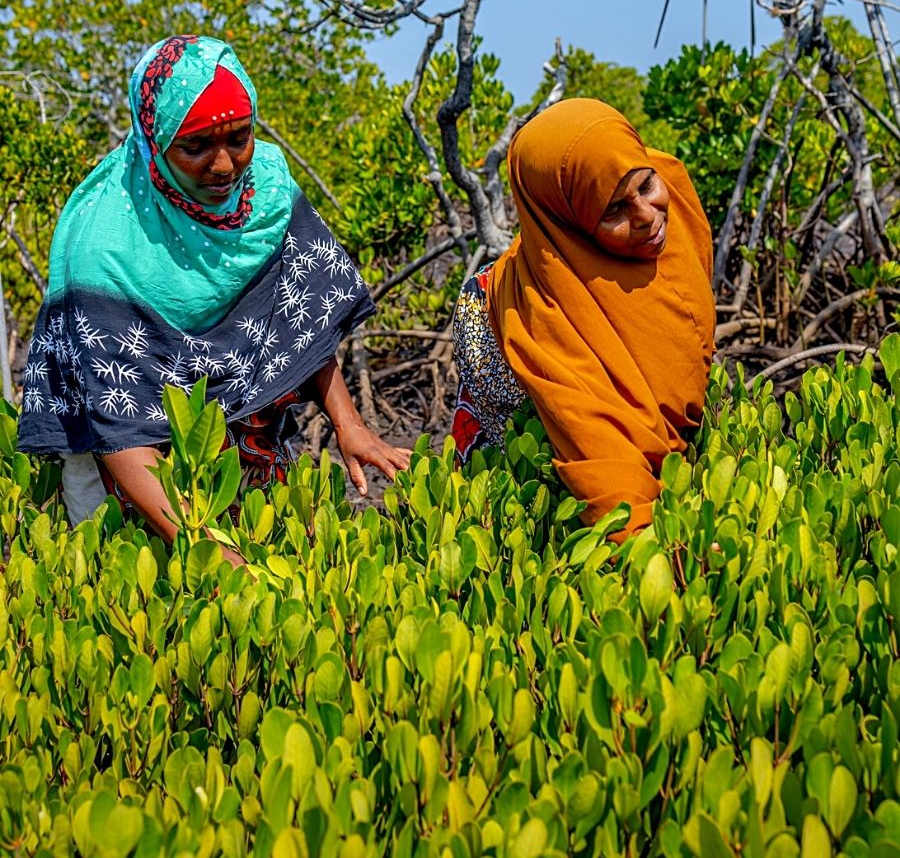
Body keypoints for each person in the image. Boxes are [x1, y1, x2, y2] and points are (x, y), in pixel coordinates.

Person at [18, 34, 407, 554]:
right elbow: (120, 427)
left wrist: (348, 421)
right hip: (135, 486)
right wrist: (210, 555)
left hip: (245, 455)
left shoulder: (266, 187)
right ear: (153, 141)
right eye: (195, 146)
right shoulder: (105, 246)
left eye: (239, 138)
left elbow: (297, 318)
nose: (224, 166)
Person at [451, 98, 715, 537]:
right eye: (613, 210)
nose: (647, 217)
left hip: (678, 480)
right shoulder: (521, 311)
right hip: (548, 526)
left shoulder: (678, 206)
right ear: (566, 220)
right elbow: (604, 470)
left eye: (646, 186)